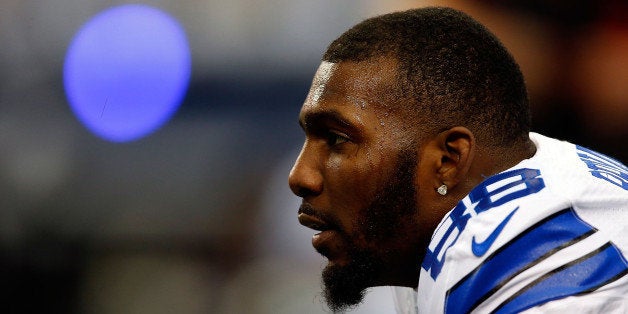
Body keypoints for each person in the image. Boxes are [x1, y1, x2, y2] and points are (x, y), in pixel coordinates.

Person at [288, 6, 628, 313]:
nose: (299, 177)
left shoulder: (519, 275)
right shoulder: (545, 170)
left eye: (337, 139)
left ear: (448, 160)